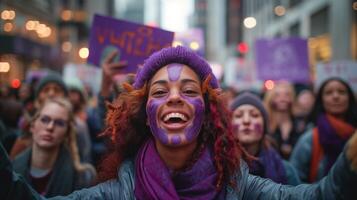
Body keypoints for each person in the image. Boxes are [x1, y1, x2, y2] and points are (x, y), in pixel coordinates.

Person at [1, 46, 357, 199]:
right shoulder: (116, 192)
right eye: (160, 91)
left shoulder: (240, 188)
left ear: (207, 114)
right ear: (145, 114)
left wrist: (348, 165)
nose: (173, 97)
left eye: (188, 90)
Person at [12, 97, 96, 197]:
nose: (50, 127)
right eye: (45, 120)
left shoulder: (83, 177)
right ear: (32, 126)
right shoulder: (12, 170)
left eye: (59, 123)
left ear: (67, 132)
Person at [290, 77, 357, 183]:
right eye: (329, 93)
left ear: (350, 97)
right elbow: (294, 181)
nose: (336, 96)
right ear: (321, 100)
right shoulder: (310, 139)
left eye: (341, 92)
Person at [231, 92, 300, 185]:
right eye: (238, 116)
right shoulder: (218, 168)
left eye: (254, 115)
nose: (246, 120)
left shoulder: (286, 170)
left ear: (264, 125)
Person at [263, 81, 301, 159]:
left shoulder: (300, 124)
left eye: (287, 95)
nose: (282, 98)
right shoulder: (264, 123)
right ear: (270, 99)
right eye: (277, 95)